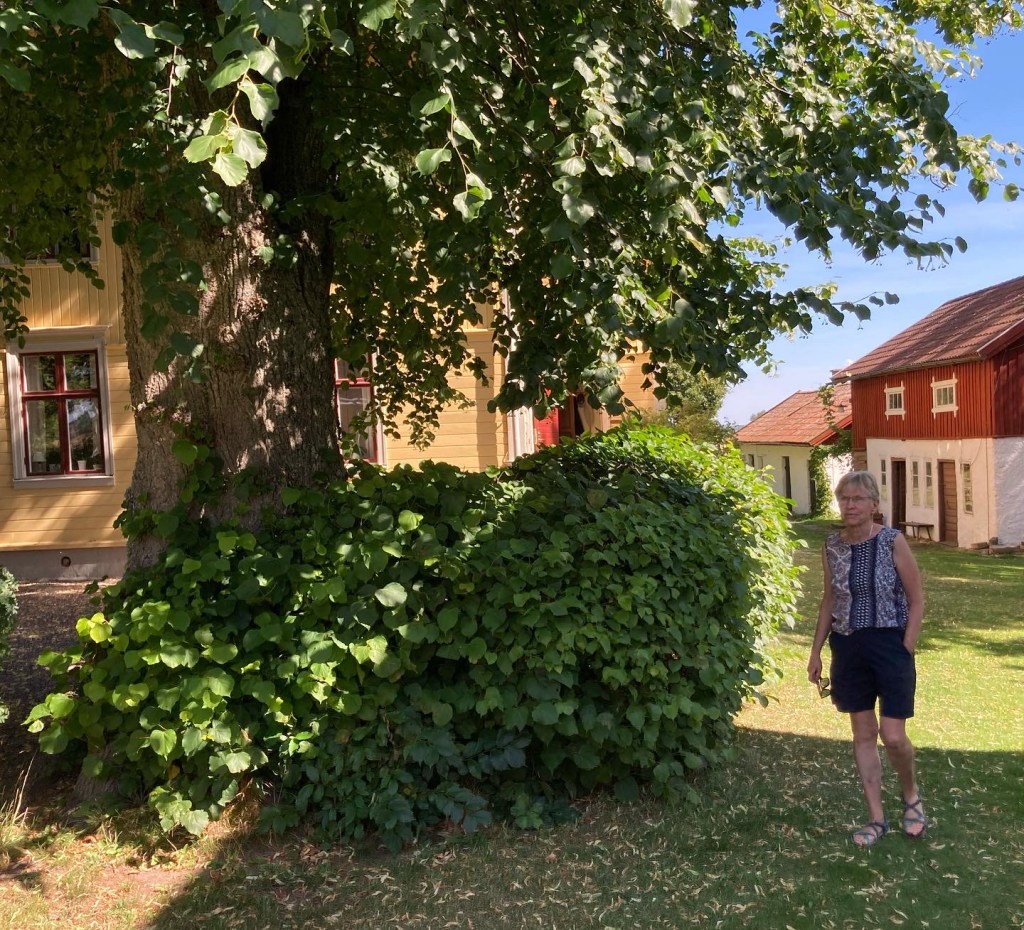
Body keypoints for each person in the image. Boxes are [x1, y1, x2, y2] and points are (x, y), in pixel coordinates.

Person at [807, 470, 927, 847]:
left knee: (893, 736)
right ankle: (876, 818)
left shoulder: (892, 541)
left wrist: (906, 645)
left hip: (890, 645)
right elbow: (829, 600)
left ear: (874, 504)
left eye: (858, 499)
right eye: (845, 499)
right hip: (848, 647)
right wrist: (815, 651)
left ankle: (911, 795)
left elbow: (917, 599)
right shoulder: (831, 546)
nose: (850, 505)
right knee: (863, 733)